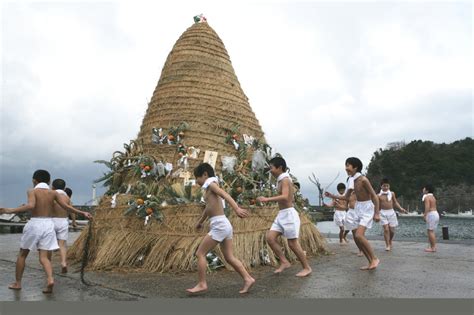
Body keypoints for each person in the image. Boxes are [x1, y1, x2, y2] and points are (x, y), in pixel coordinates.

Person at [0, 170, 92, 293]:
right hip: (49, 225)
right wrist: (82, 213)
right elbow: (66, 207)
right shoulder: (53, 193)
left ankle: (18, 283)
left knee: (22, 254)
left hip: (35, 224)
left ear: (34, 180)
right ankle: (50, 279)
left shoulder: (32, 191)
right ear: (49, 181)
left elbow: (31, 205)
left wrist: (9, 210)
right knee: (44, 257)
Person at [187, 163, 255, 294]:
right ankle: (248, 278)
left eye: (197, 177)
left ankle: (202, 283)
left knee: (200, 254)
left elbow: (225, 194)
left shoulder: (212, 184)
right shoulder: (208, 189)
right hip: (224, 225)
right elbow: (208, 208)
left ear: (205, 175)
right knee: (229, 257)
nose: (196, 181)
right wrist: (200, 222)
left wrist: (236, 208)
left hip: (220, 225)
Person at [257, 157, 312, 277]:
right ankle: (284, 261)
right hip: (281, 214)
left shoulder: (285, 179)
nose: (270, 170)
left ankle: (307, 267)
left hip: (289, 215)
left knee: (292, 244)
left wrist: (267, 199)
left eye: (271, 168)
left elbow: (285, 196)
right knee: (270, 238)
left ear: (280, 168)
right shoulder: (279, 180)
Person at [325, 157, 380, 270]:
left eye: (348, 165)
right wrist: (332, 196)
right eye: (346, 165)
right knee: (356, 237)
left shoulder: (363, 180)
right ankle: (370, 262)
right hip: (358, 208)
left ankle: (375, 258)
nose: (346, 168)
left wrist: (377, 213)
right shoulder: (351, 180)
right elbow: (346, 197)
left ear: (355, 167)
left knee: (359, 235)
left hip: (367, 208)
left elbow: (374, 196)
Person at [378, 178, 408, 251]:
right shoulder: (378, 195)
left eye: (387, 186)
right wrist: (375, 214)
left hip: (391, 212)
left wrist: (401, 209)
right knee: (386, 229)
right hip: (382, 212)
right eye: (384, 186)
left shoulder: (392, 193)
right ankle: (387, 245)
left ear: (389, 186)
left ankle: (390, 240)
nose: (385, 187)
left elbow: (395, 202)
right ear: (381, 186)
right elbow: (377, 206)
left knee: (392, 231)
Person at [51, 179, 71, 273]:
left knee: (49, 245)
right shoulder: (67, 197)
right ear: (64, 188)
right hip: (63, 221)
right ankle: (63, 263)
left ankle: (48, 263)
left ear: (53, 187)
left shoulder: (51, 195)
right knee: (62, 245)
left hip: (52, 220)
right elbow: (70, 210)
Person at [344, 191, 363, 256]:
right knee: (354, 233)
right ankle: (360, 250)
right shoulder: (349, 194)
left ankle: (363, 248)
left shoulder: (362, 192)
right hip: (350, 212)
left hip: (359, 212)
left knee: (360, 233)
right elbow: (345, 206)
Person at [422, 184, 439, 252]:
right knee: (431, 231)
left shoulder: (427, 197)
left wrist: (424, 215)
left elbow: (427, 207)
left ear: (427, 190)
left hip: (431, 214)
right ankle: (432, 246)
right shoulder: (433, 197)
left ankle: (433, 248)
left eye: (424, 188)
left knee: (430, 231)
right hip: (435, 214)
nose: (423, 189)